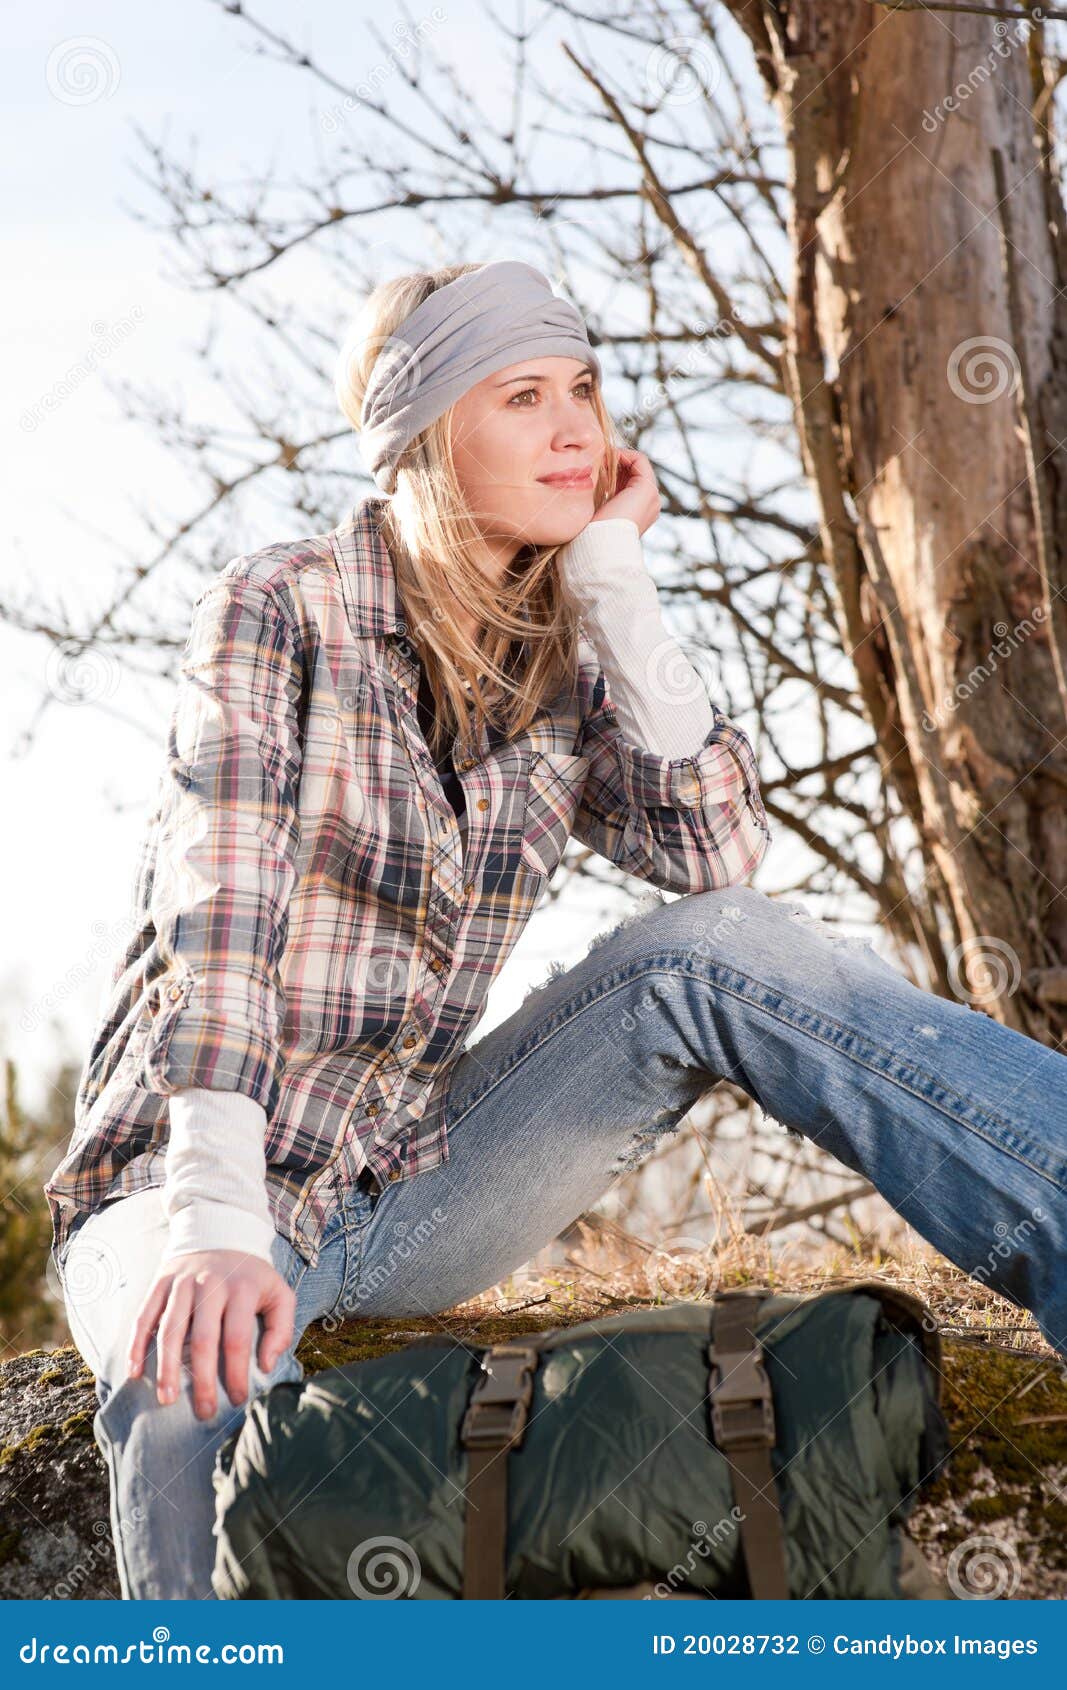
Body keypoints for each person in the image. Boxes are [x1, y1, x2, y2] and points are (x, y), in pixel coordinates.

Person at [46, 259, 1067, 1601]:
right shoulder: (278, 606)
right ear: (425, 438)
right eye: (524, 395)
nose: (576, 425)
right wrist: (219, 1219)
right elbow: (216, 913)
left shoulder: (560, 665)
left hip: (403, 1186)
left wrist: (614, 581)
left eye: (582, 387)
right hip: (188, 1185)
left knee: (711, 946)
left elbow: (717, 862)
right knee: (193, 1388)